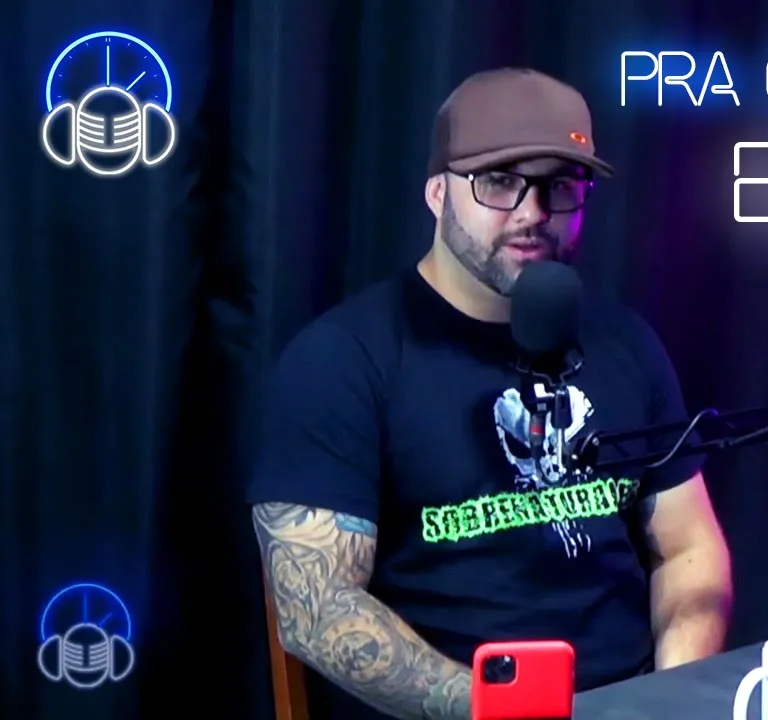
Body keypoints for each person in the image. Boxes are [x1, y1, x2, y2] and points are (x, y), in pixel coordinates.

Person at [247, 68, 733, 720]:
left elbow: (689, 547)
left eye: (560, 185)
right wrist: (508, 709)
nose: (533, 213)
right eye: (499, 181)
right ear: (437, 193)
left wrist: (671, 698)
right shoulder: (342, 361)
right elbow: (317, 610)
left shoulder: (624, 342)